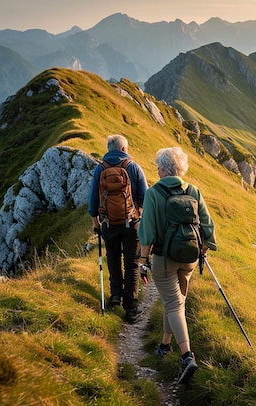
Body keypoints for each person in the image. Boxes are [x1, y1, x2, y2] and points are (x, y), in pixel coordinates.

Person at [138, 146, 217, 384]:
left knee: (173, 304)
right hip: (190, 259)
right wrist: (202, 250)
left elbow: (147, 232)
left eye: (158, 166)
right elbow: (208, 227)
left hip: (164, 259)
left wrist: (143, 261)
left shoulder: (153, 193)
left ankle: (186, 356)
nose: (157, 169)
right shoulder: (193, 190)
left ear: (163, 169)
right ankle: (164, 345)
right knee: (176, 302)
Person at [88, 134, 148, 323]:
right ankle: (131, 308)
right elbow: (145, 196)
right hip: (132, 223)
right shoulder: (133, 167)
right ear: (123, 149)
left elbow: (93, 200)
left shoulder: (100, 169)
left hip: (108, 223)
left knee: (113, 257)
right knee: (132, 264)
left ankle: (115, 295)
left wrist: (96, 222)